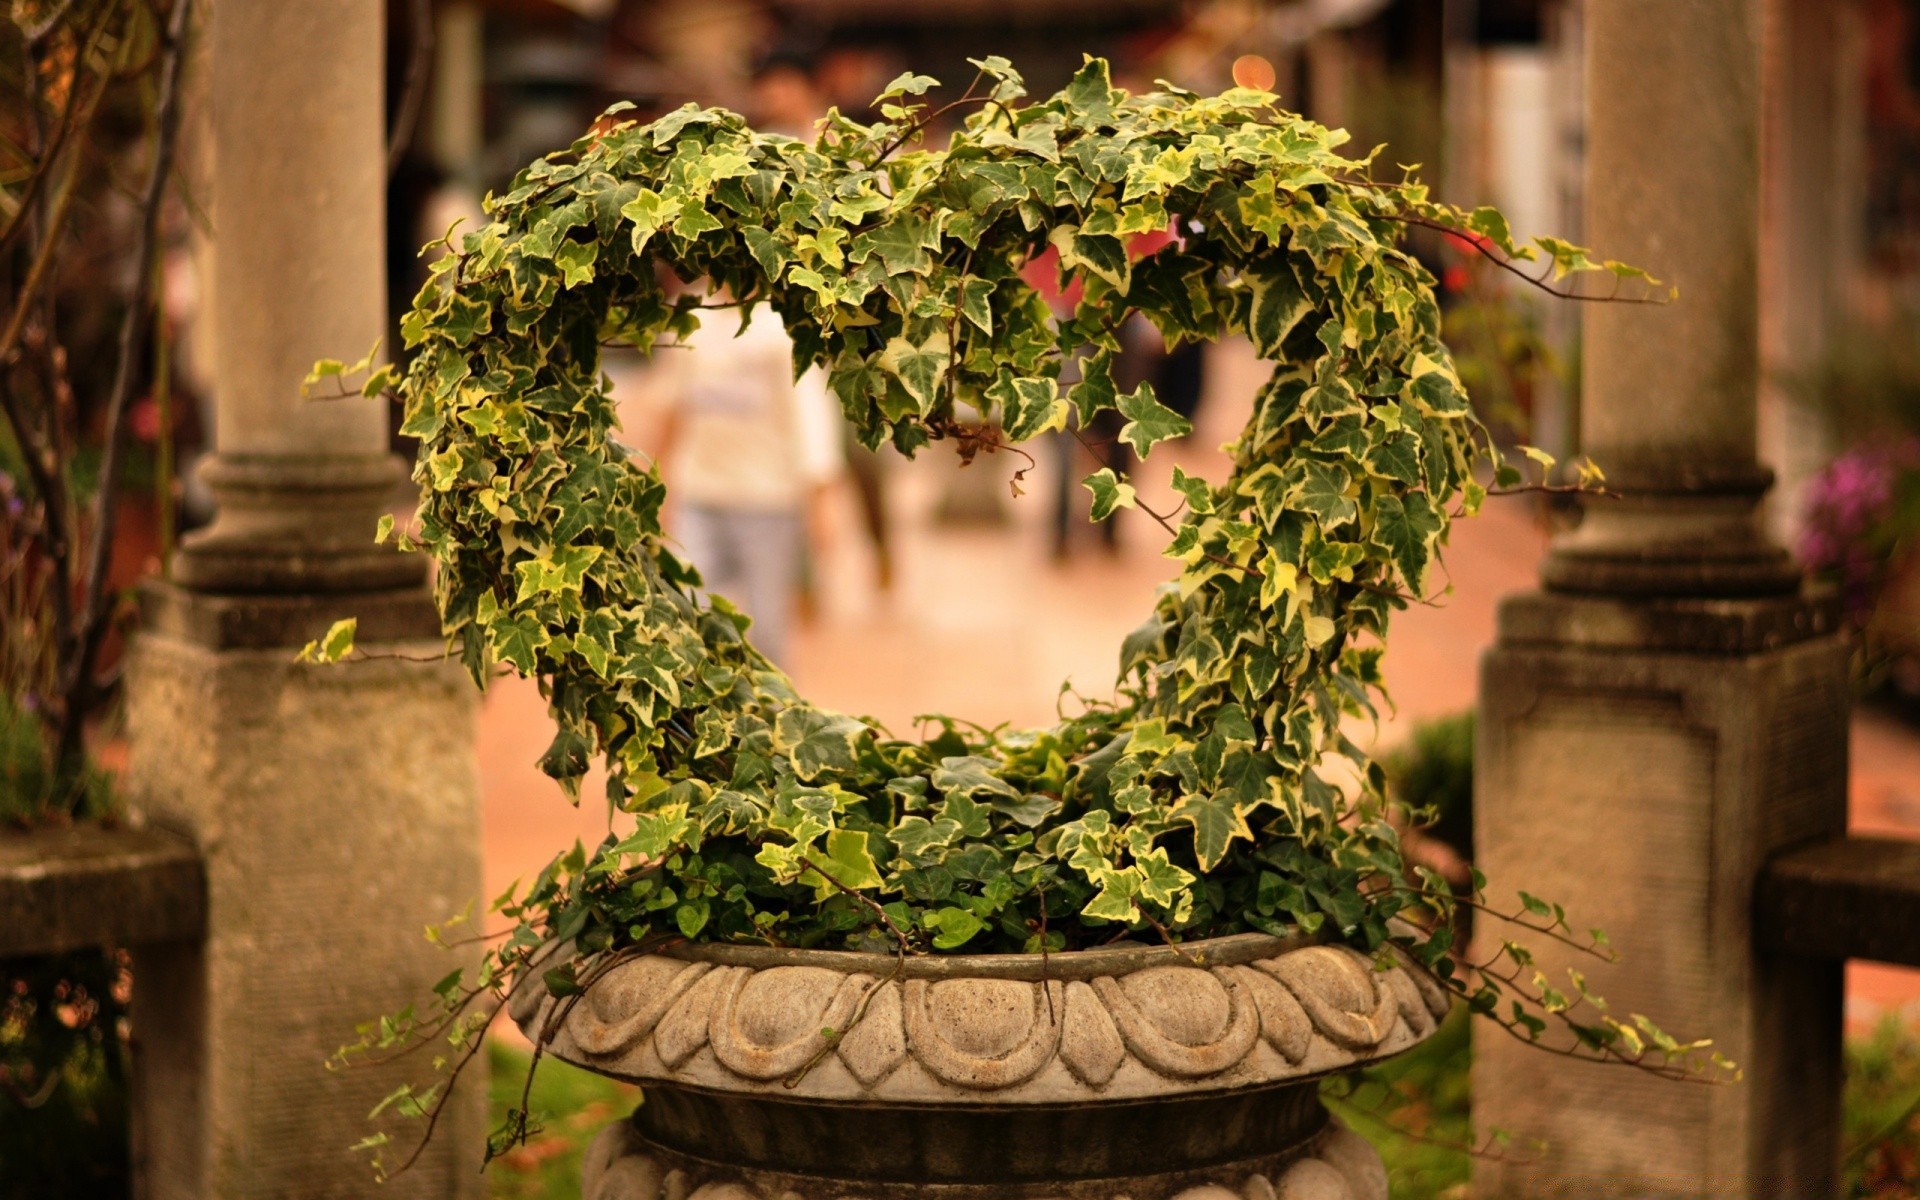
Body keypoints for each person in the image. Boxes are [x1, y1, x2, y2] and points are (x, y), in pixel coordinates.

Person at [657, 303, 842, 665]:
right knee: (688, 608)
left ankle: (777, 714)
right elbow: (672, 404)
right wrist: (660, 481)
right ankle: (704, 713)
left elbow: (812, 420)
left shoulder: (783, 328)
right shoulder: (690, 320)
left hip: (768, 501)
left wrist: (822, 499)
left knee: (768, 627)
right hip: (700, 495)